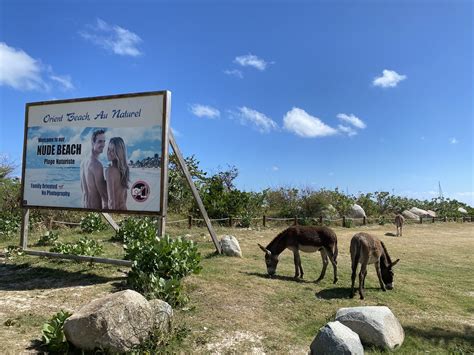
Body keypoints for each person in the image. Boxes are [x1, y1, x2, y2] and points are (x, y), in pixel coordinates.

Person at [80, 129, 108, 209]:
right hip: (94, 209)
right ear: (92, 142)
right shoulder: (96, 165)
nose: (103, 144)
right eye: (100, 141)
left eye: (104, 141)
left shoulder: (83, 162)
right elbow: (105, 196)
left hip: (84, 206)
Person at [106, 137, 129, 210]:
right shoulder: (125, 170)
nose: (109, 152)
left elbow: (111, 201)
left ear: (118, 153)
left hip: (115, 211)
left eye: (113, 150)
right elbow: (125, 196)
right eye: (108, 149)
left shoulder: (109, 171)